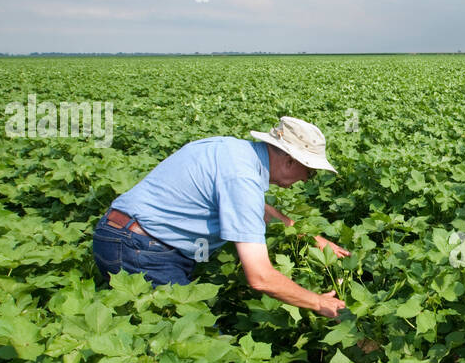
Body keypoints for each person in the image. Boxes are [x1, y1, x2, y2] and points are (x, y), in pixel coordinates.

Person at [91, 116, 350, 318]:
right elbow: (260, 278)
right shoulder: (242, 178)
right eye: (310, 171)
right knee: (200, 343)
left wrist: (309, 236)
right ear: (291, 161)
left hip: (118, 235)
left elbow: (255, 208)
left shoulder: (232, 150)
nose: (306, 180)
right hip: (140, 251)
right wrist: (318, 302)